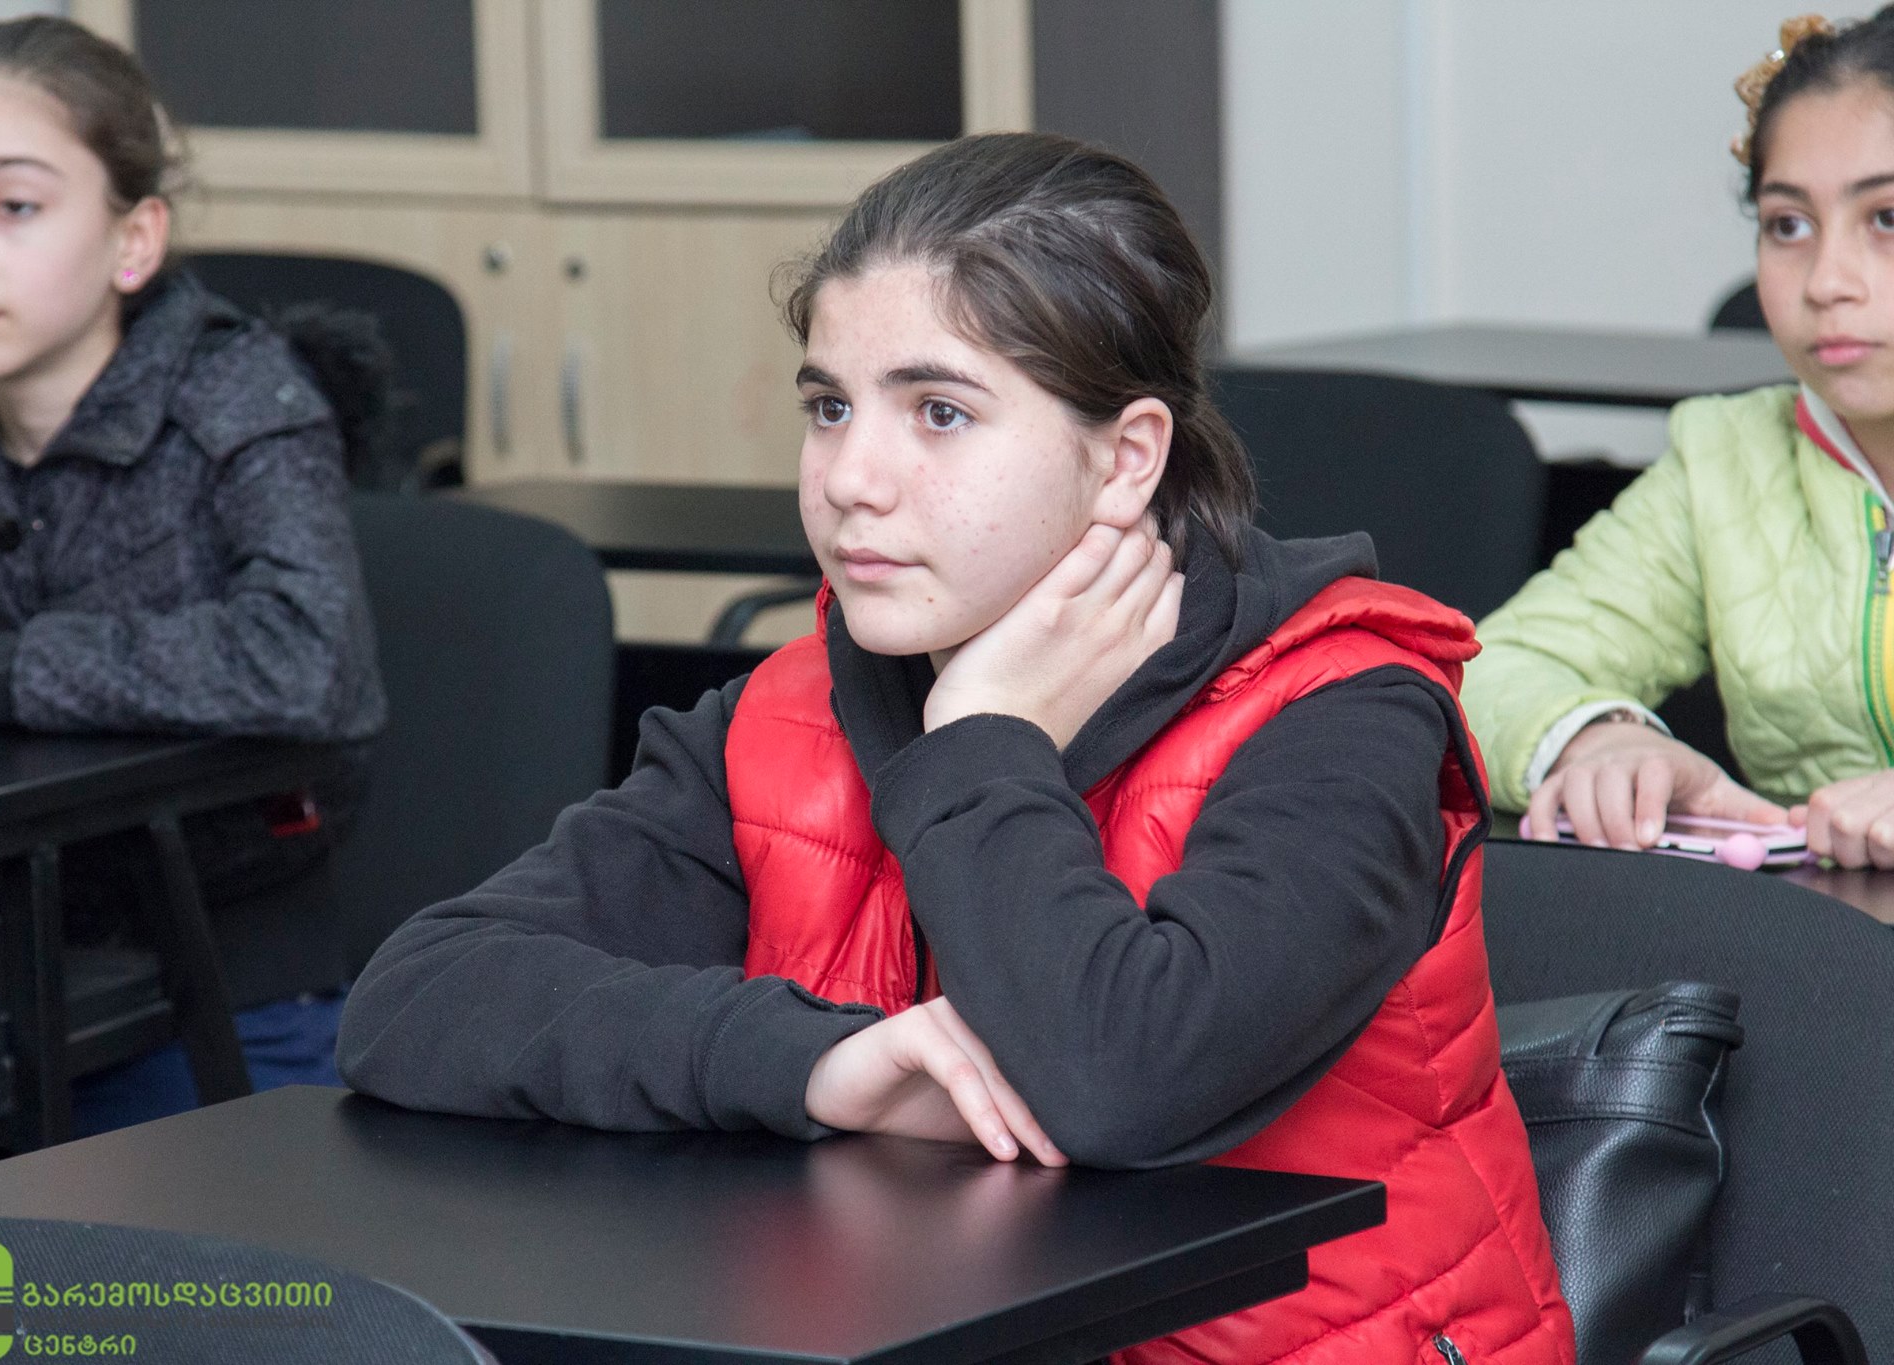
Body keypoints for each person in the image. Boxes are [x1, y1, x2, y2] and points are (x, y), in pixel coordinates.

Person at [340, 133, 1571, 1362]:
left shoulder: (1340, 713)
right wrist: (815, 1064)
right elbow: (419, 998)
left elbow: (1121, 1081)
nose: (850, 479)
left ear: (1125, 459)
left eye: (938, 412)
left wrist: (983, 737)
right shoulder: (784, 713)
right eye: (829, 407)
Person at [0, 16, 385, 1130]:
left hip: (218, 991)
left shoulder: (245, 398)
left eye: (14, 207)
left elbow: (309, 659)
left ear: (133, 239)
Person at [1465, 10, 1894, 869]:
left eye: (1887, 218)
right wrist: (1599, 738)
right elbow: (1489, 669)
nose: (1826, 282)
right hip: (1831, 938)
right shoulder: (1726, 459)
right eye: (1788, 224)